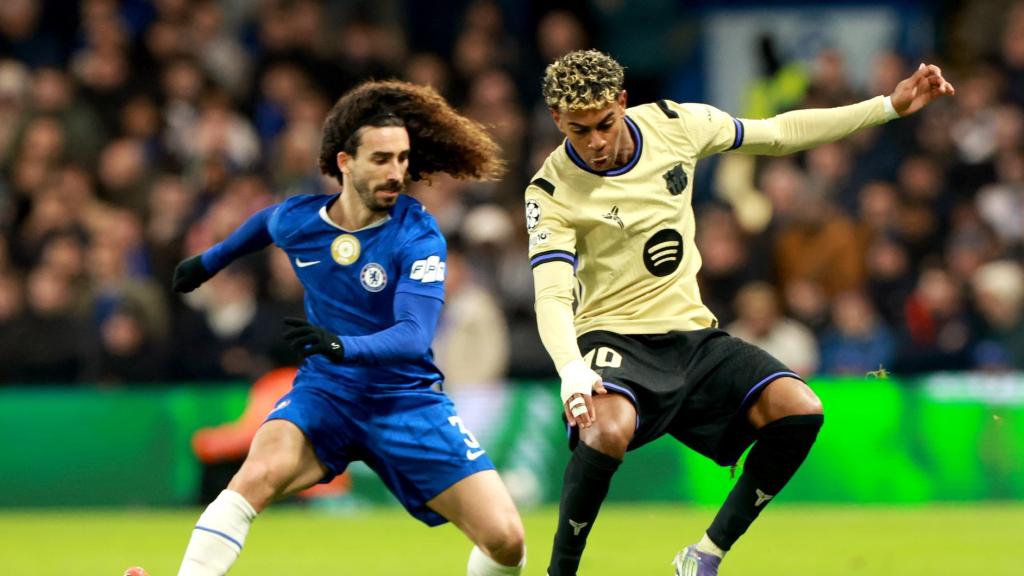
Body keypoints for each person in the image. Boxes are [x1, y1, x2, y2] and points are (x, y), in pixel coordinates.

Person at [525, 50, 954, 576]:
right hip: (615, 340)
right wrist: (572, 368)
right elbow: (551, 294)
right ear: (555, 120)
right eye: (577, 130)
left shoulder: (675, 125)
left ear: (622, 102)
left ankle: (704, 555)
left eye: (603, 124)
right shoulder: (550, 191)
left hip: (692, 336)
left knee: (799, 408)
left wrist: (887, 105)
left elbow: (778, 133)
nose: (593, 142)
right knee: (604, 431)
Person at [166, 80, 525, 576]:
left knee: (506, 540)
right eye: (381, 159)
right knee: (256, 475)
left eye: (402, 159)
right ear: (344, 162)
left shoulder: (417, 236)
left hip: (406, 400)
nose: (397, 172)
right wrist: (209, 261)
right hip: (327, 394)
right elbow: (265, 223)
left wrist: (340, 344)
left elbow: (414, 336)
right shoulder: (302, 220)